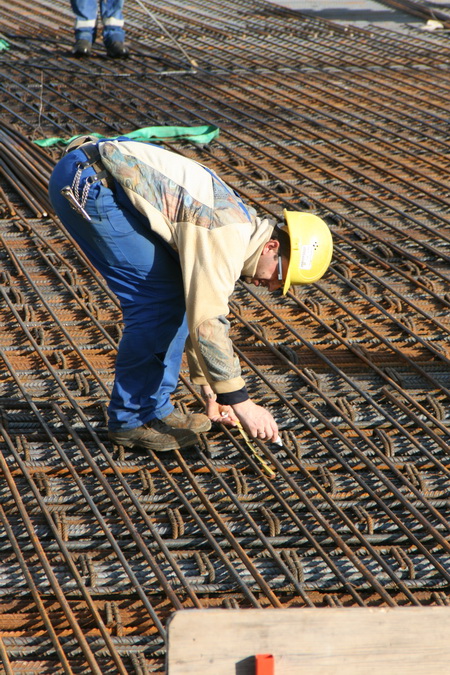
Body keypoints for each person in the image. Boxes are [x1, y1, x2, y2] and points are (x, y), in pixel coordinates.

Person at [48, 136, 333, 452]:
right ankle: (130, 420)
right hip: (89, 183)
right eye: (280, 276)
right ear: (272, 246)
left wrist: (215, 394)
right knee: (157, 302)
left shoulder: (241, 227)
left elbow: (197, 302)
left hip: (101, 176)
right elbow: (208, 321)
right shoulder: (227, 234)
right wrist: (241, 402)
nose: (273, 287)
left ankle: (155, 410)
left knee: (177, 296)